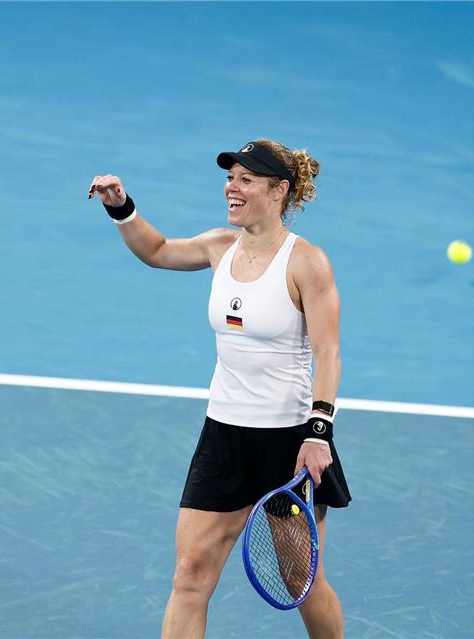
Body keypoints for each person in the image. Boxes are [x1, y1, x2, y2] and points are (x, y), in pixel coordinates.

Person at [89, 140, 351, 639]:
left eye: (245, 180)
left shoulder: (307, 263)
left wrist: (318, 433)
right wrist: (121, 207)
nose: (232, 188)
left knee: (301, 578)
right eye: (230, 178)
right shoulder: (219, 246)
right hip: (223, 438)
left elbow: (329, 352)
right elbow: (158, 250)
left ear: (279, 190)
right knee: (189, 575)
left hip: (288, 441)